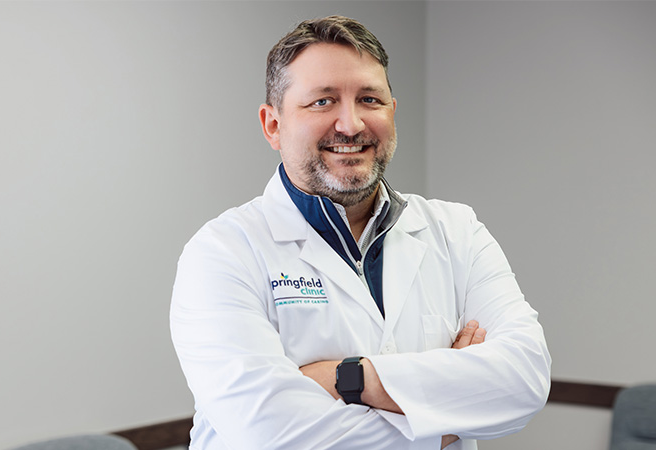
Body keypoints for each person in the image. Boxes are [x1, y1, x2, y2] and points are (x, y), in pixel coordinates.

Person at [170, 15, 551, 450]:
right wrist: (445, 421)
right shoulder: (222, 252)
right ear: (272, 125)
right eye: (322, 102)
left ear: (392, 111)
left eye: (369, 99)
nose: (350, 125)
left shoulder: (457, 232)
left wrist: (350, 376)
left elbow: (526, 379)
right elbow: (270, 433)